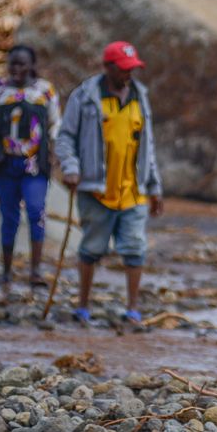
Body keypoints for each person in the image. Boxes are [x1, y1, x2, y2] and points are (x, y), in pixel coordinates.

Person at [55, 40, 164, 325]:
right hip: (96, 190)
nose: (129, 73)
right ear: (108, 67)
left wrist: (155, 188)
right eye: (123, 68)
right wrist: (71, 168)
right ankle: (82, 305)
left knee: (135, 249)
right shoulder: (86, 96)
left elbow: (147, 145)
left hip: (133, 190)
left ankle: (132, 309)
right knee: (91, 249)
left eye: (132, 68)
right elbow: (65, 136)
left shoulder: (140, 97)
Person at [0, 44, 60, 287]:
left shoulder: (44, 91)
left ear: (31, 66)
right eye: (13, 63)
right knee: (9, 217)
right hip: (5, 163)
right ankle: (7, 271)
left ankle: (36, 271)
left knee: (35, 210)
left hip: (34, 165)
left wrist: (60, 151)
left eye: (21, 63)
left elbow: (55, 124)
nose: (16, 68)